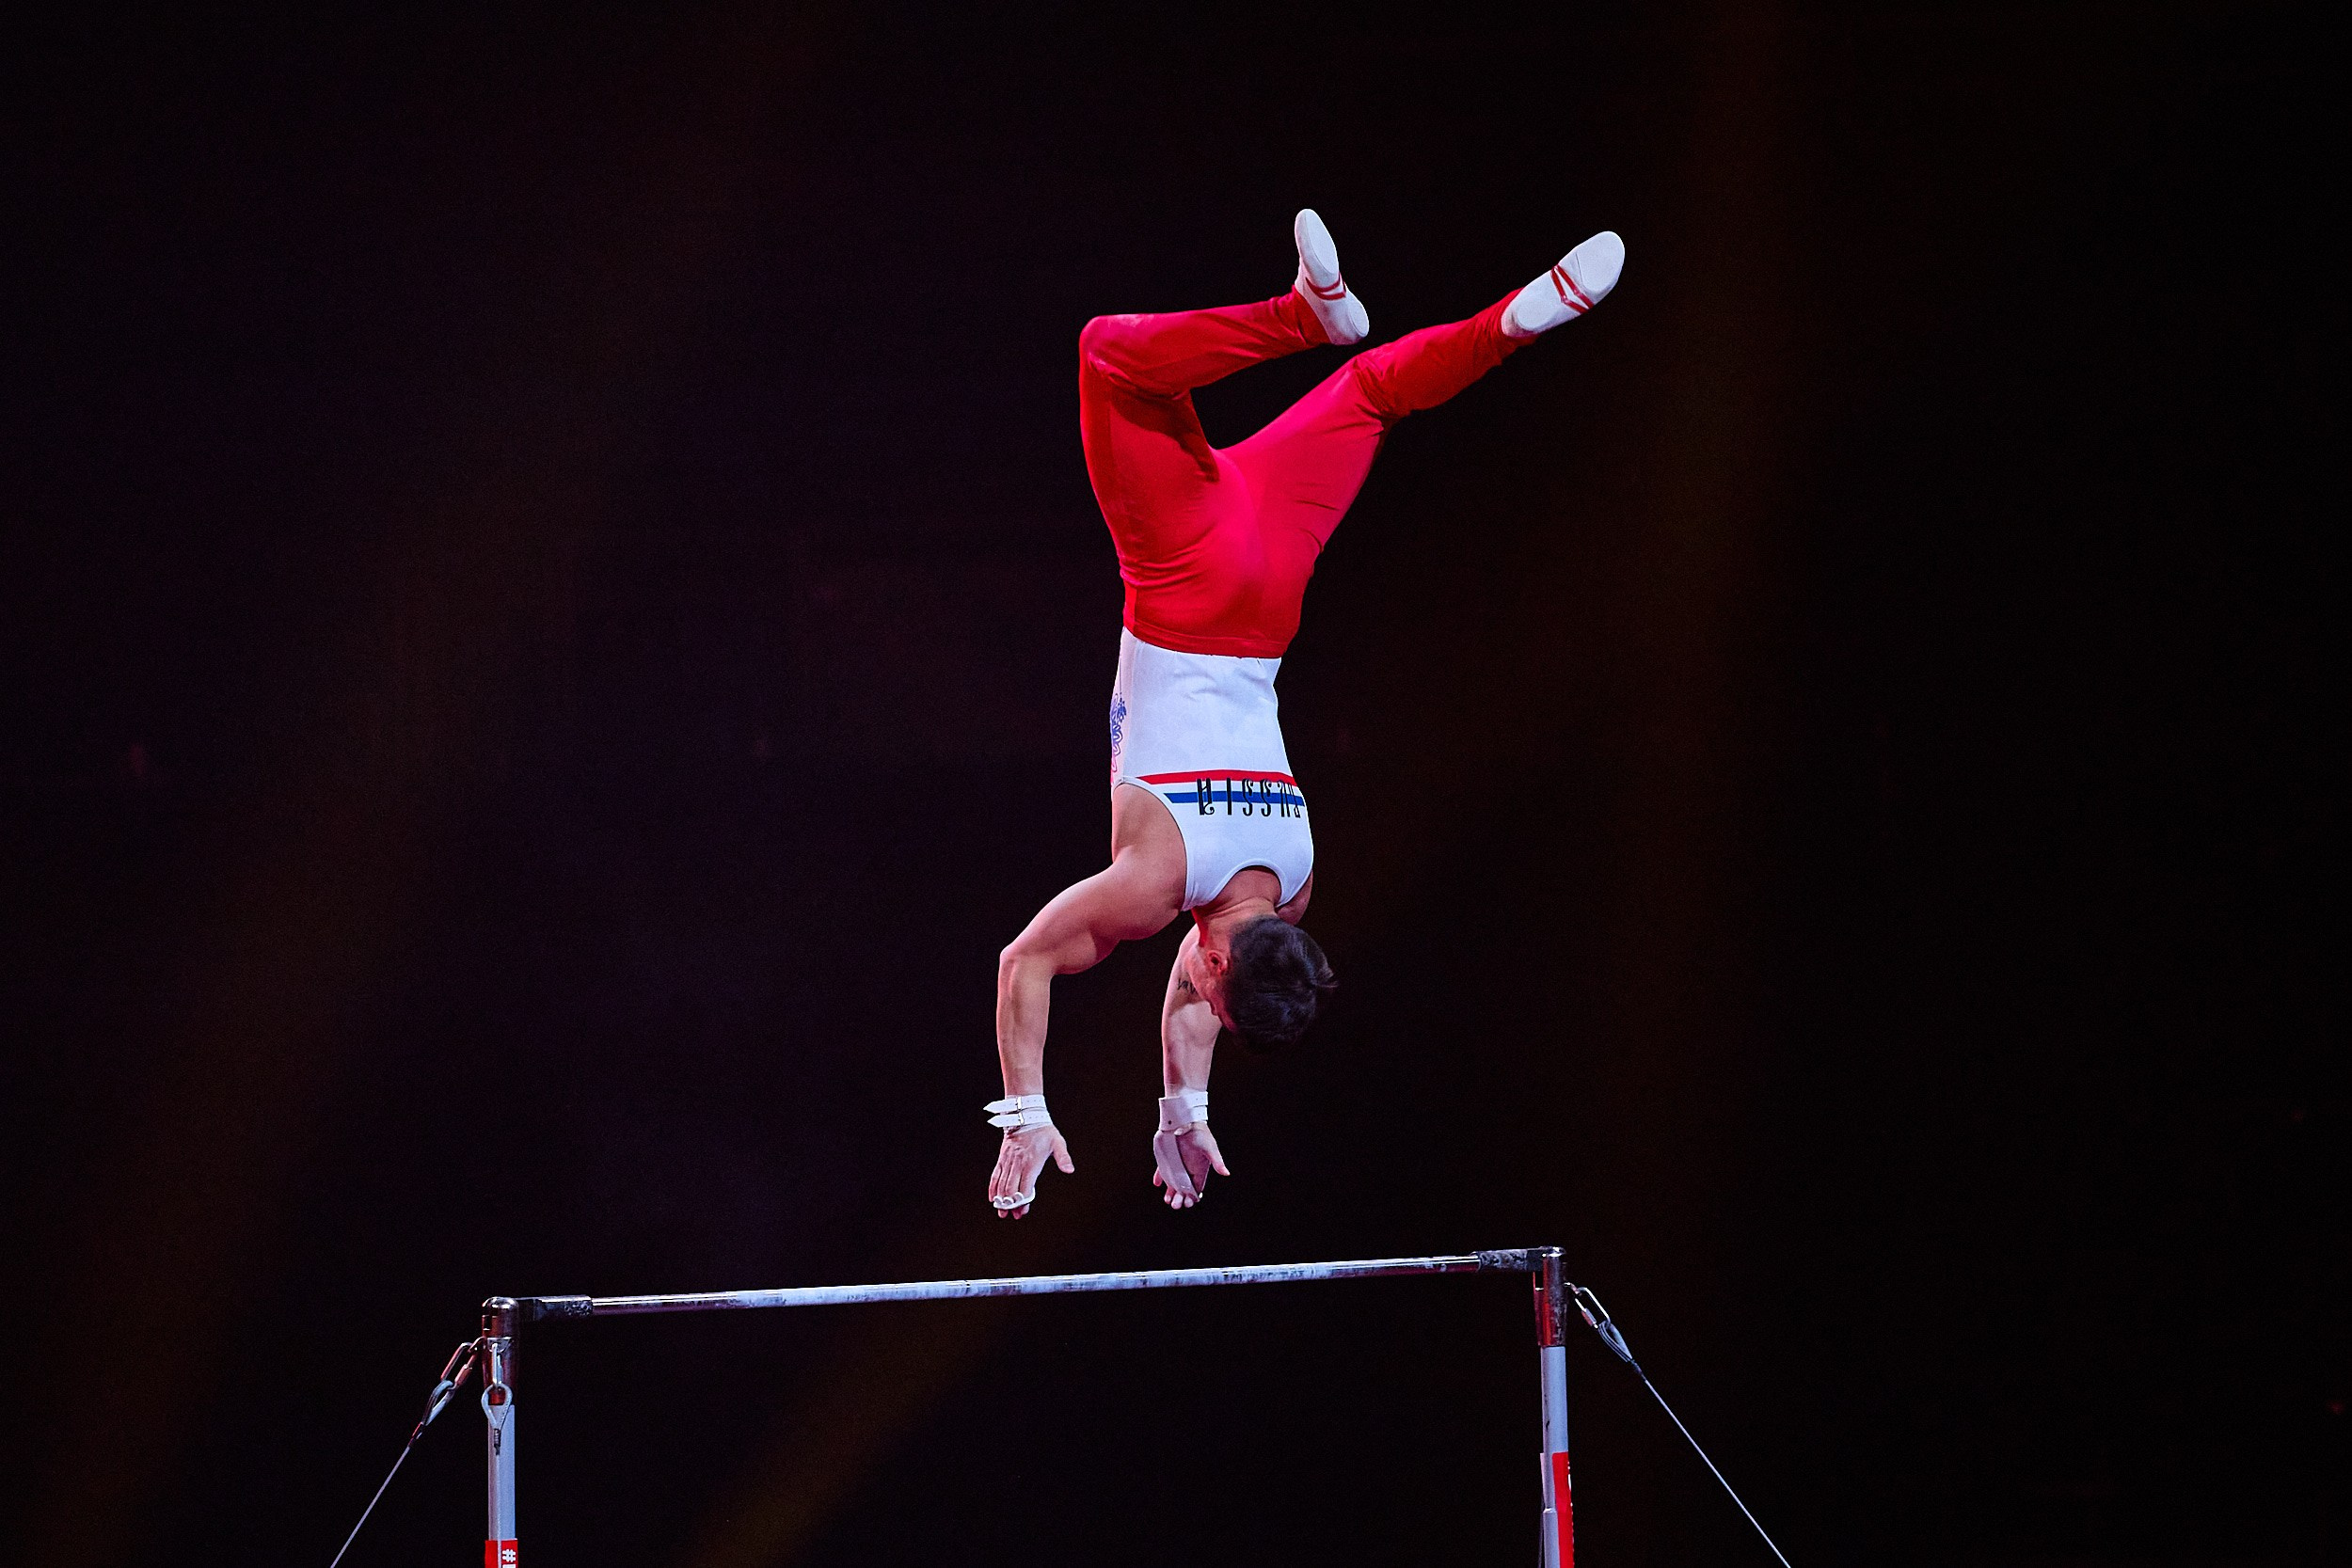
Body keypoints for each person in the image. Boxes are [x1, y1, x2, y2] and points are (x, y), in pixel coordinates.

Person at [985, 211, 1625, 1217]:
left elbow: (1213, 975)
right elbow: (1025, 963)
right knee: (1109, 357)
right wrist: (1026, 1114)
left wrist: (1183, 1107)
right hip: (1187, 580)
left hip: (1269, 593)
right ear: (1215, 960)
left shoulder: (1296, 879)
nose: (1196, 981)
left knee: (1372, 391)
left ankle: (1513, 320)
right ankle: (1297, 316)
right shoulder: (1155, 883)